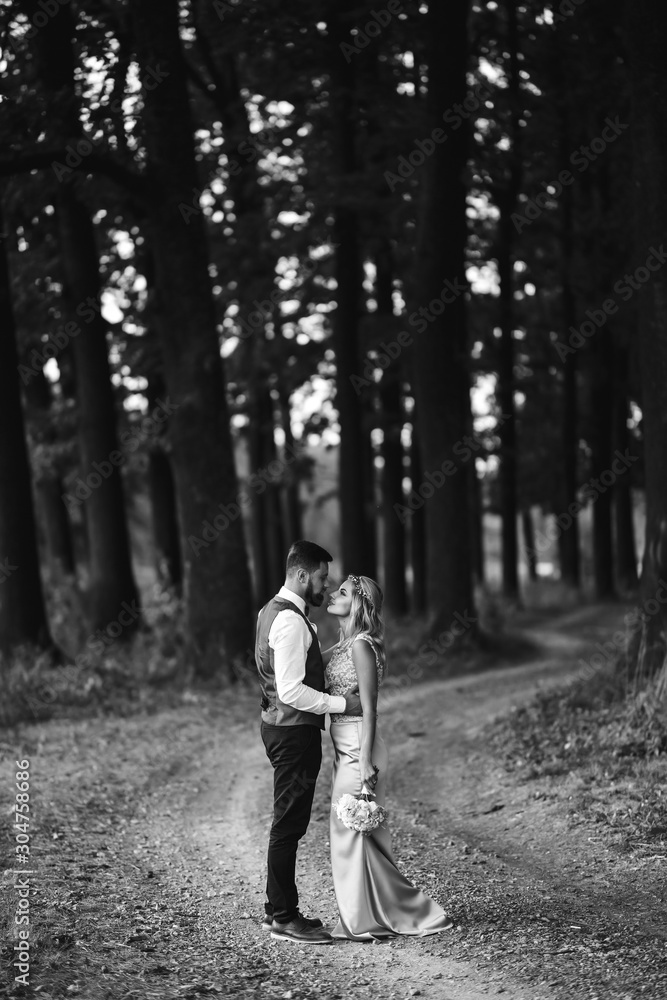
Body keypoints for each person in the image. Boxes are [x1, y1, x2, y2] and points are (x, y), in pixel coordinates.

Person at [324, 573, 453, 940]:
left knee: (349, 829)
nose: (334, 594)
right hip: (344, 745)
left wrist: (364, 761)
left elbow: (370, 709)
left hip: (358, 744)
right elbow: (309, 664)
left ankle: (366, 919)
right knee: (360, 835)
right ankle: (373, 913)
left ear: (359, 603)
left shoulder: (362, 646)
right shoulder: (346, 643)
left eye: (343, 593)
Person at [256, 541, 363, 945]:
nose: (325, 586)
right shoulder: (290, 622)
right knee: (288, 824)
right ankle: (283, 916)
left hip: (282, 729)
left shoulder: (273, 612)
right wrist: (342, 703)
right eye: (321, 578)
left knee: (289, 821)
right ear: (302, 576)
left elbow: (295, 667)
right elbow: (290, 691)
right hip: (292, 732)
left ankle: (277, 909)